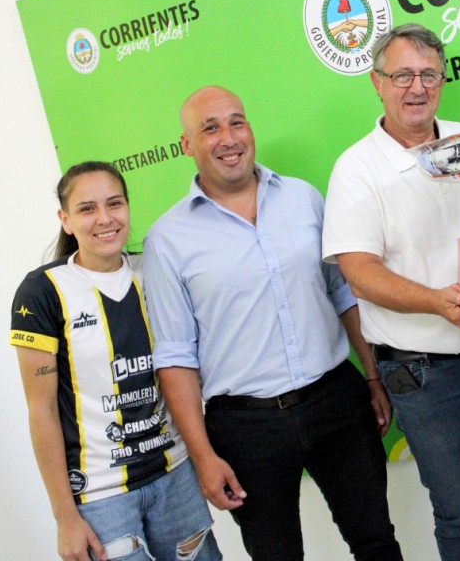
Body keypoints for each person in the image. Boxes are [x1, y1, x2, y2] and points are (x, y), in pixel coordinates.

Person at [142, 86, 402, 561]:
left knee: (376, 541)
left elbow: (343, 294)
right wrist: (203, 456)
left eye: (237, 122)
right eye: (211, 127)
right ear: (186, 145)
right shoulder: (166, 241)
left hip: (336, 402)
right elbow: (175, 358)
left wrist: (371, 376)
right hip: (245, 427)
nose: (228, 138)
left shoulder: (303, 198)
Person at [322, 24, 460, 561]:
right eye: (402, 75)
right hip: (425, 375)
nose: (416, 87)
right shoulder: (356, 169)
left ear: (442, 81)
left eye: (428, 75)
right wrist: (437, 302)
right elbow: (358, 270)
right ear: (378, 83)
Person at [10, 161, 221, 561]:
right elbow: (41, 412)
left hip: (174, 473)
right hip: (100, 495)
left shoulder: (153, 270)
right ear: (65, 220)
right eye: (87, 208)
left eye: (114, 204)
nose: (104, 219)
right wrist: (64, 518)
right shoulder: (43, 291)